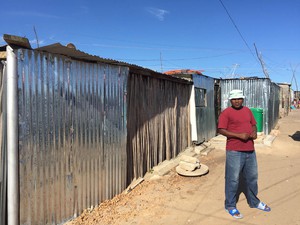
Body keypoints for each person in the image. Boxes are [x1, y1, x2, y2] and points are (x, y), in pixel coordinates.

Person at [218, 89, 271, 219]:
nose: (237, 101)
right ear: (231, 100)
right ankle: (230, 205)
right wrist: (239, 135)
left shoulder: (247, 110)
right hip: (234, 151)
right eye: (234, 99)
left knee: (252, 177)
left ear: (243, 99)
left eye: (239, 98)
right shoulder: (226, 113)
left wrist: (254, 132)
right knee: (233, 179)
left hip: (250, 150)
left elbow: (253, 124)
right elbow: (221, 130)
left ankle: (254, 202)